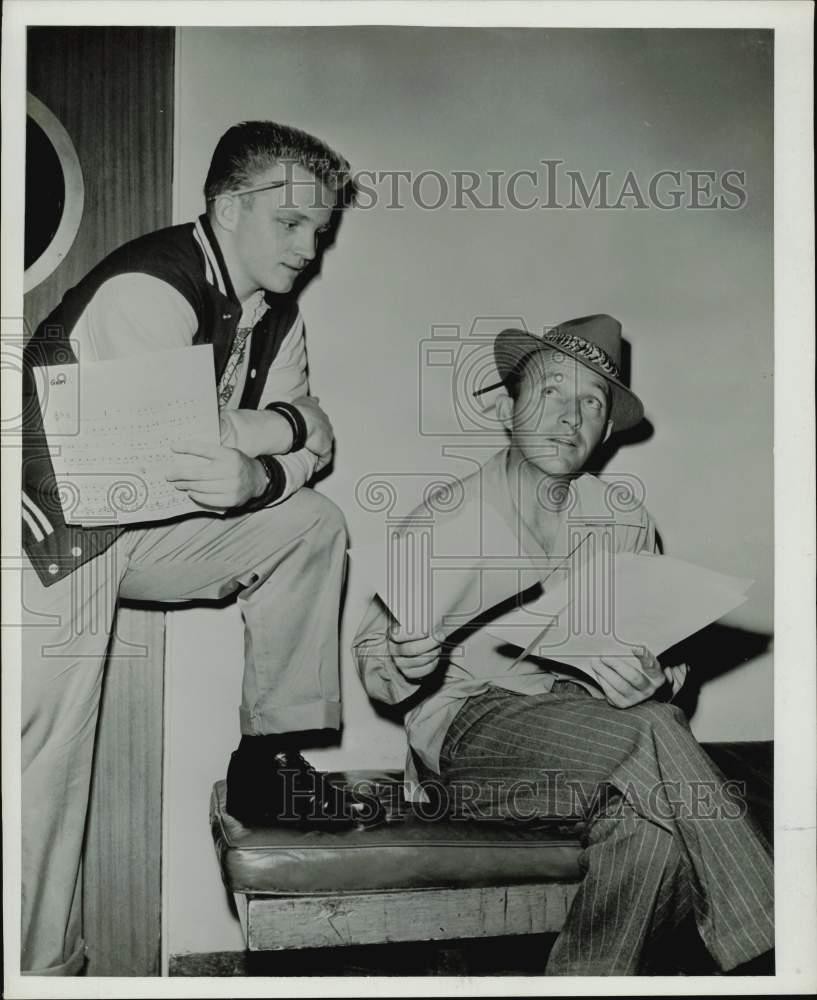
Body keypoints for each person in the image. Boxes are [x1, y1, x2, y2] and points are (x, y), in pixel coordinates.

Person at [21, 120, 359, 975]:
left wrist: (262, 472)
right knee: (46, 768)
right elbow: (182, 442)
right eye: (290, 222)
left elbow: (309, 457)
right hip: (47, 528)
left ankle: (266, 757)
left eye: (319, 230)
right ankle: (40, 974)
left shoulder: (279, 317)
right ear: (227, 207)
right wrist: (282, 429)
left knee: (311, 523)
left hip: (140, 526)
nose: (309, 248)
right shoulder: (150, 285)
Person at [352, 314, 774, 975]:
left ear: (604, 432)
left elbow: (661, 652)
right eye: (549, 391)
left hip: (593, 742)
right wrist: (404, 662)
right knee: (651, 729)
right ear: (509, 408)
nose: (568, 416)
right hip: (469, 737)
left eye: (591, 403)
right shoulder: (446, 517)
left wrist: (657, 676)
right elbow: (376, 662)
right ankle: (771, 936)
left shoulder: (624, 519)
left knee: (650, 829)